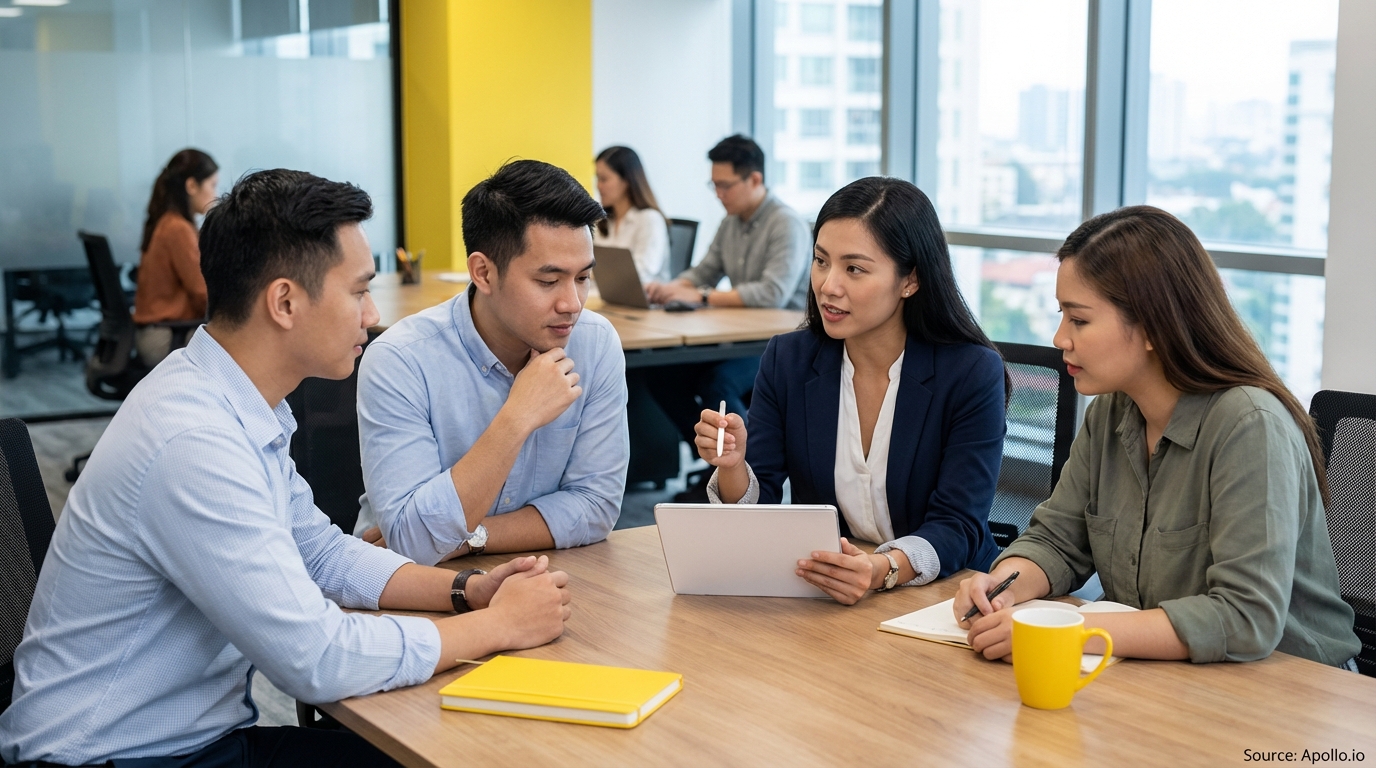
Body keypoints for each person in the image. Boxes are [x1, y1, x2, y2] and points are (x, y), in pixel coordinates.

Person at [0, 169, 573, 767]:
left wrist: (468, 591)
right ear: (284, 301)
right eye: (358, 291)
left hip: (196, 742)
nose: (372, 314)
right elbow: (316, 659)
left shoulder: (238, 401)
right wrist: (498, 627)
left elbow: (319, 552)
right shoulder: (194, 441)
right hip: (111, 759)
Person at [954, 206, 1361, 670]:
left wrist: (1070, 631)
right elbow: (1058, 541)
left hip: (1290, 690)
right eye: (1062, 315)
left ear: (1151, 326)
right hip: (1168, 675)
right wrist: (1003, 582)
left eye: (1079, 320)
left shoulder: (1250, 425)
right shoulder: (1109, 412)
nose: (1059, 337)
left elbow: (1245, 618)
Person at [694, 177, 1009, 604]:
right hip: (832, 592)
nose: (828, 285)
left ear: (910, 280)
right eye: (821, 261)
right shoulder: (789, 359)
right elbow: (760, 500)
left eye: (854, 268)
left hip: (946, 594)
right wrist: (732, 466)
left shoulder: (970, 372)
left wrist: (881, 568)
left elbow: (959, 524)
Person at [353, 160, 629, 566]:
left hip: (544, 573)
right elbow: (412, 542)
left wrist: (470, 538)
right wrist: (518, 417)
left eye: (583, 278)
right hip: (406, 589)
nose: (571, 303)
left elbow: (597, 507)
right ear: (483, 272)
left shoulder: (595, 342)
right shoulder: (401, 360)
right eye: (548, 281)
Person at [643, 135, 812, 500]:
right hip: (741, 338)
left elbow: (772, 293)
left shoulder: (786, 224)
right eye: (714, 185)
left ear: (754, 180)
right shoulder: (731, 222)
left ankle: (744, 473)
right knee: (659, 371)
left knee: (719, 381)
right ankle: (713, 467)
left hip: (781, 343)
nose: (718, 193)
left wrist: (700, 295)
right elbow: (704, 270)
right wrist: (671, 288)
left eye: (724, 185)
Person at [132, 148, 218, 365]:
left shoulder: (167, 222)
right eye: (212, 185)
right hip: (166, 338)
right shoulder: (177, 229)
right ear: (191, 186)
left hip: (158, 333)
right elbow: (202, 294)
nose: (215, 195)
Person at [593, 145, 670, 282]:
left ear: (626, 181)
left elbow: (643, 272)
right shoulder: (601, 220)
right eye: (597, 179)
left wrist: (598, 275)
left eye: (604, 179)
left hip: (643, 299)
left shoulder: (649, 219)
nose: (598, 186)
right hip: (605, 296)